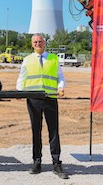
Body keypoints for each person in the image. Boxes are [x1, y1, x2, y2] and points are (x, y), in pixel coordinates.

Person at [16, 33, 69, 179]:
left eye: (40, 41)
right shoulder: (27, 60)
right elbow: (22, 77)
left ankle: (56, 163)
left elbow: (60, 76)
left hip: (50, 98)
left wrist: (61, 87)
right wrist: (20, 92)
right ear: (32, 44)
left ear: (44, 43)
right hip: (33, 100)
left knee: (53, 131)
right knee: (36, 130)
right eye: (35, 42)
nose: (38, 44)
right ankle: (37, 161)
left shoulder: (53, 58)